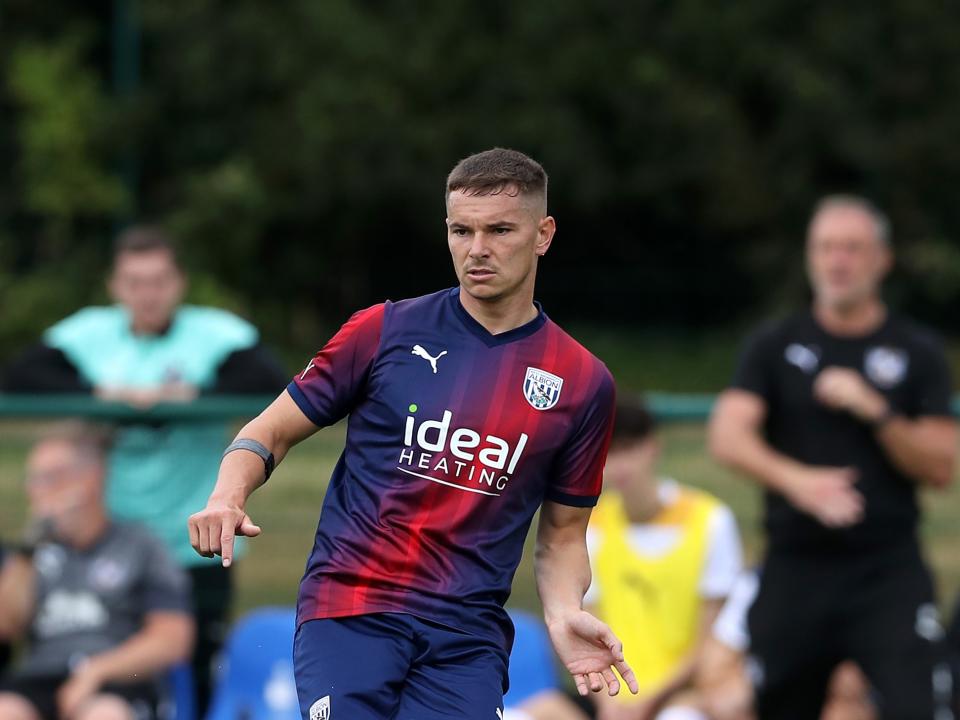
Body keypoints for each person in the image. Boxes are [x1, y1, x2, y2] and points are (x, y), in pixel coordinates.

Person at [189, 147, 639, 719]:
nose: (477, 249)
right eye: (461, 230)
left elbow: (563, 537)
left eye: (500, 229)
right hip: (352, 608)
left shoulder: (580, 381)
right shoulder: (384, 331)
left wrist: (562, 613)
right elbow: (270, 430)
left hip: (466, 636)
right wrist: (227, 496)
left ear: (543, 234)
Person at [2, 226, 288, 713]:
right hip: (108, 540)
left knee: (197, 662)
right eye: (135, 282)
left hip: (194, 535)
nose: (147, 294)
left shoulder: (215, 334)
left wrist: (185, 397)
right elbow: (23, 375)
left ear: (179, 284)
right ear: (116, 286)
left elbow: (269, 380)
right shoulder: (91, 333)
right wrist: (103, 396)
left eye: (158, 281)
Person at [708, 195, 958, 719]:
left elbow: (941, 466)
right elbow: (727, 436)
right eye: (825, 248)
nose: (837, 261)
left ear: (882, 260)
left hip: (886, 569)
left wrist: (877, 410)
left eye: (852, 248)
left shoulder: (917, 350)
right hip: (796, 566)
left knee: (918, 705)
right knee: (779, 704)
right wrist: (798, 482)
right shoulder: (775, 344)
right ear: (809, 256)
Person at [0, 423, 194, 720]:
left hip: (116, 682)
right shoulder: (29, 554)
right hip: (39, 678)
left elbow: (172, 640)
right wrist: (28, 549)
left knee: (103, 715)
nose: (33, 490)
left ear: (90, 480)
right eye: (33, 479)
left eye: (48, 478)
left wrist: (96, 671)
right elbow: (6, 626)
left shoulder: (140, 545)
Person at [586, 397, 743, 720]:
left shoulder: (710, 520)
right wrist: (608, 705)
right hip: (615, 698)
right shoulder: (592, 528)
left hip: (688, 696)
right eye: (608, 453)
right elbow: (590, 630)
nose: (619, 465)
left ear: (652, 447)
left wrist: (651, 701)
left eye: (628, 448)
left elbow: (712, 638)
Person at [697, 570, 876, 720]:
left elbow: (850, 683)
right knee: (726, 699)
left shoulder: (864, 584)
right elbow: (713, 670)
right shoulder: (759, 582)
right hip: (768, 696)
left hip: (833, 703)